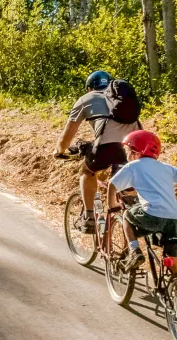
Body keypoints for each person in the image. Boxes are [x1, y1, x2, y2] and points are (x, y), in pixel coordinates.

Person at [53, 70, 140, 233]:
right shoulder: (120, 97)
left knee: (87, 171)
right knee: (126, 182)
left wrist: (59, 150)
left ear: (89, 88)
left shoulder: (86, 99)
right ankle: (133, 223)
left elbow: (68, 133)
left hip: (108, 145)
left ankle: (89, 218)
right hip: (135, 145)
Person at [106, 130, 177, 273]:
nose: (127, 156)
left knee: (127, 215)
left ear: (136, 153)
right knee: (174, 258)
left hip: (151, 213)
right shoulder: (165, 167)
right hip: (174, 218)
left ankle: (135, 251)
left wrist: (112, 205)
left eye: (128, 151)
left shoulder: (133, 166)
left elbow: (112, 184)